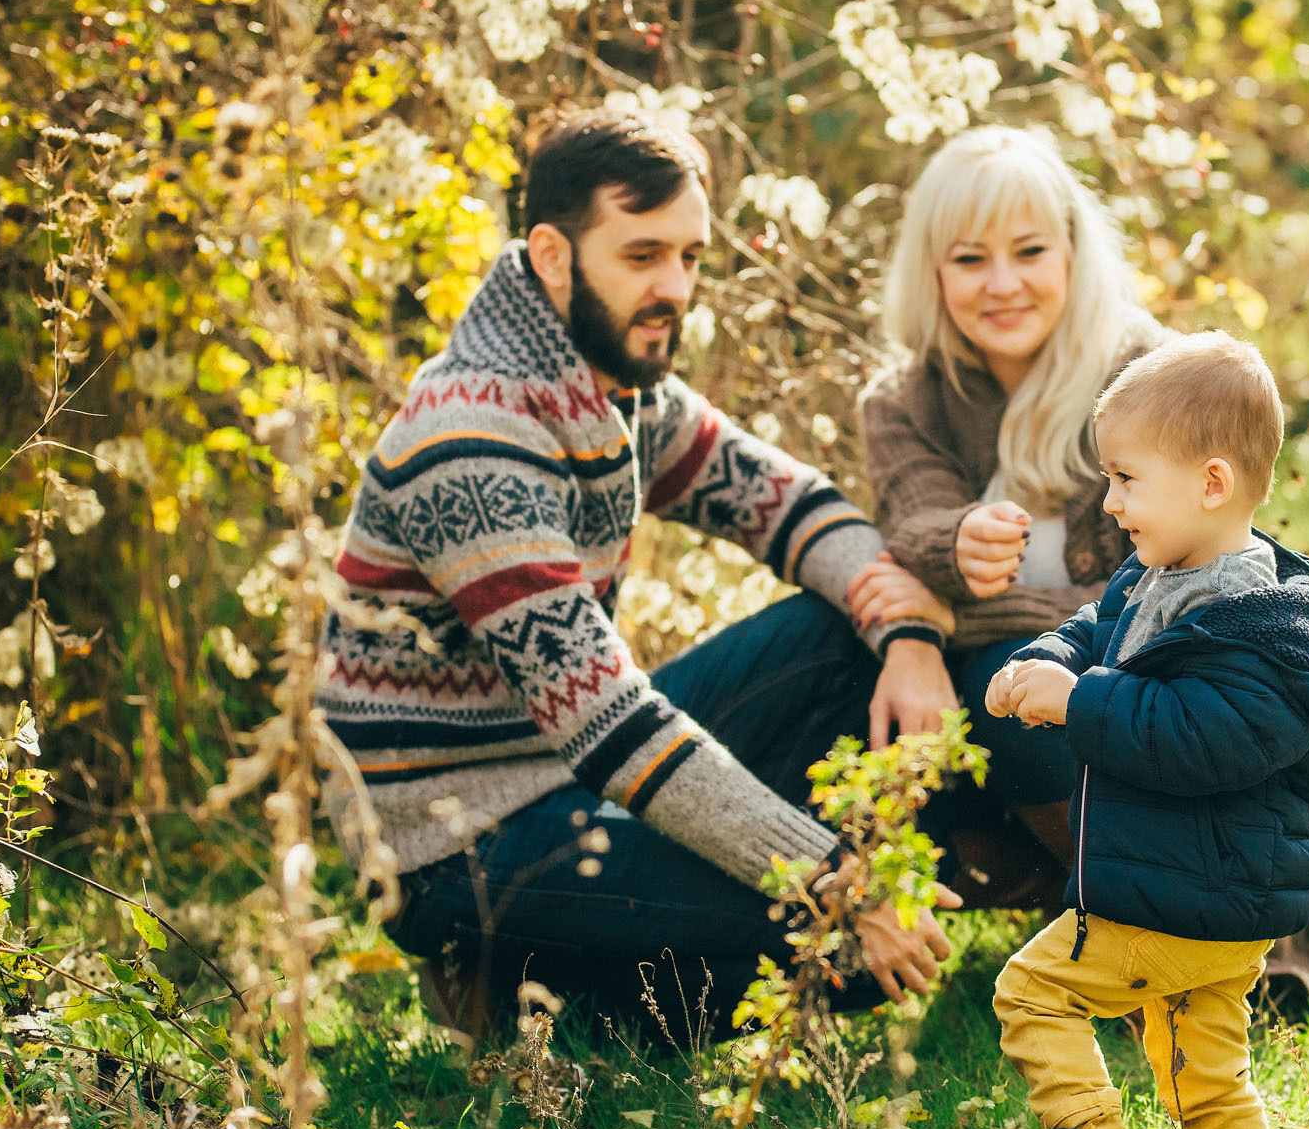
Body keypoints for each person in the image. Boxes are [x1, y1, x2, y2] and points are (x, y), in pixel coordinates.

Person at [318, 109, 965, 1045]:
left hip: (565, 776)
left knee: (840, 639)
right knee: (846, 955)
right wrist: (834, 877)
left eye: (692, 258)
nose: (675, 288)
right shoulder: (472, 440)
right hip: (452, 842)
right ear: (551, 254)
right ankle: (522, 987)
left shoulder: (611, 387)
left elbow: (792, 506)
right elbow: (611, 721)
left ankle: (570, 971)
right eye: (643, 255)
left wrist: (908, 638)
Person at [858, 125, 1309, 1025]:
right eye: (970, 258)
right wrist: (948, 551)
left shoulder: (1142, 375)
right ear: (933, 270)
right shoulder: (904, 399)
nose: (1003, 282)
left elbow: (1168, 595)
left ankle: (1171, 922)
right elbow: (911, 512)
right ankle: (1046, 905)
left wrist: (954, 610)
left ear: (1073, 252)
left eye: (1031, 251)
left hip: (1153, 697)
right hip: (1029, 702)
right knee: (956, 689)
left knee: (1034, 693)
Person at [970, 333, 1309, 1129]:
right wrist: (1049, 659)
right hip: (1215, 899)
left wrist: (1081, 704)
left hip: (1183, 897)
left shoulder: (1263, 631)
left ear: (1212, 483)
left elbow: (1197, 738)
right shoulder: (1169, 574)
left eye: (1127, 479)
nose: (1110, 501)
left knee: (1033, 993)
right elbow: (1099, 625)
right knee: (1199, 1066)